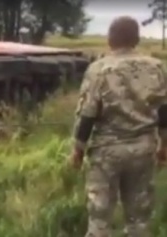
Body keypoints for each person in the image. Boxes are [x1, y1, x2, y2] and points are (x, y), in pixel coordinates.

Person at [69, 15, 167, 236]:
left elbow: (87, 114)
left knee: (100, 218)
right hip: (144, 149)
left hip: (107, 152)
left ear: (110, 39)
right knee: (139, 219)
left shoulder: (99, 69)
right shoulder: (156, 67)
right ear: (137, 39)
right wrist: (163, 144)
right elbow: (164, 110)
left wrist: (78, 149)